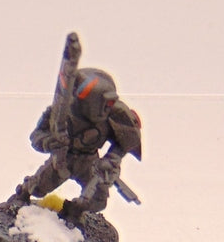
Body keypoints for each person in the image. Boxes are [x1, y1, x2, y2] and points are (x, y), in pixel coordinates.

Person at [9, 69, 142, 225]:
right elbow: (36, 136)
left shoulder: (113, 116)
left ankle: (73, 212)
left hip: (90, 163)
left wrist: (112, 159)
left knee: (98, 201)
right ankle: (21, 195)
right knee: (37, 188)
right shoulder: (60, 112)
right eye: (102, 103)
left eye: (109, 104)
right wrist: (49, 142)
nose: (106, 108)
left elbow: (125, 143)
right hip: (63, 159)